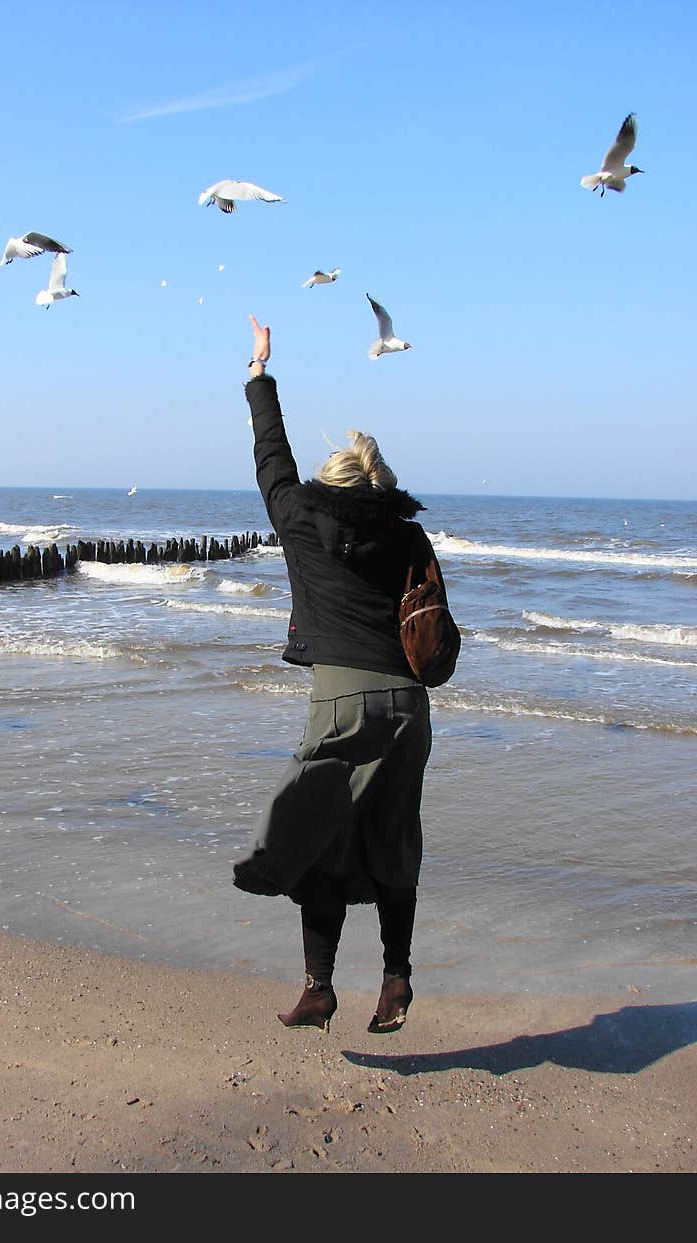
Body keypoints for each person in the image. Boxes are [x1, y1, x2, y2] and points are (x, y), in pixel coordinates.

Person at [233, 315, 452, 1035]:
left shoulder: (299, 518)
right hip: (409, 708)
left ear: (330, 481)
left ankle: (319, 986)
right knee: (393, 838)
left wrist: (261, 369)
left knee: (321, 837)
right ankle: (395, 980)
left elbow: (271, 456)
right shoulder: (409, 531)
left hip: (342, 704)